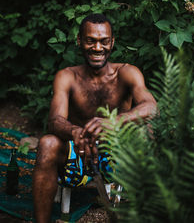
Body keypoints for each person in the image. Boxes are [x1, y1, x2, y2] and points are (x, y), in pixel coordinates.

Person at [32, 13, 157, 223]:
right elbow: (54, 120)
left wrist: (112, 122)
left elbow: (152, 108)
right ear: (79, 41)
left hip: (118, 158)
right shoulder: (67, 76)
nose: (98, 48)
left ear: (112, 42)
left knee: (147, 132)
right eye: (90, 41)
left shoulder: (127, 72)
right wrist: (75, 131)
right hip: (78, 153)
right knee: (47, 143)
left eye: (104, 41)